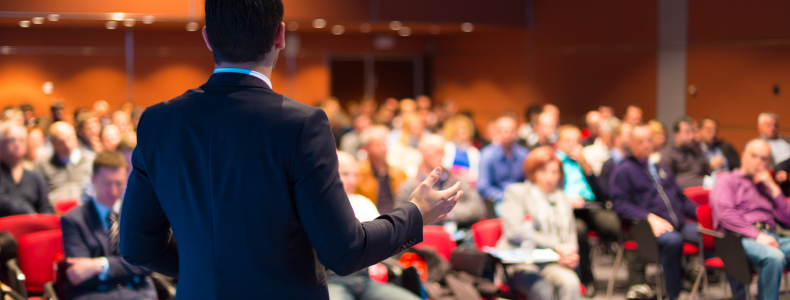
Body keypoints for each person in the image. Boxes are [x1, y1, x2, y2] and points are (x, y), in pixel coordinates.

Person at [119, 1, 462, 297]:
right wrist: (415, 212)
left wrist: (209, 265)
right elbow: (344, 251)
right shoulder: (301, 124)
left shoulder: (158, 122)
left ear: (208, 38)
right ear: (280, 35)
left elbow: (136, 246)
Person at [610, 123, 699, 300]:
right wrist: (648, 217)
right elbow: (619, 204)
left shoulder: (661, 167)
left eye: (649, 140)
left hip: (678, 222)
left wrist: (704, 215)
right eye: (641, 141)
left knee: (715, 237)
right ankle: (672, 295)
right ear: (632, 143)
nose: (646, 145)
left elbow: (680, 198)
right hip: (646, 228)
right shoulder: (623, 170)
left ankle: (715, 285)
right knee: (673, 241)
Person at [61, 151, 157, 300]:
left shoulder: (137, 214)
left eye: (118, 183)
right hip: (94, 294)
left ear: (126, 181)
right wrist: (127, 267)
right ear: (93, 180)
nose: (113, 191)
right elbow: (78, 274)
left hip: (137, 292)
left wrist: (100, 265)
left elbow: (146, 265)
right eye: (107, 183)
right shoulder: (73, 219)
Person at [332, 151, 422, 300]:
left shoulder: (362, 202)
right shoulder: (319, 208)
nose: (352, 181)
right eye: (345, 174)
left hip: (365, 279)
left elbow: (385, 240)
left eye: (355, 175)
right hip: (334, 280)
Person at [497, 146, 581, 300]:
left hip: (553, 261)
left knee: (570, 282)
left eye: (554, 172)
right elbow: (515, 232)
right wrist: (556, 245)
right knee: (542, 289)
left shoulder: (562, 197)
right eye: (543, 171)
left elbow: (571, 232)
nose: (549, 177)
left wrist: (570, 253)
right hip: (522, 263)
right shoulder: (517, 192)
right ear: (532, 172)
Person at [710, 139, 790, 300]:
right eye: (755, 156)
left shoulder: (765, 185)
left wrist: (774, 188)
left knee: (774, 253)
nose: (759, 162)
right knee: (774, 257)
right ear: (744, 156)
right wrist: (757, 235)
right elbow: (726, 214)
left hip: (770, 236)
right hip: (737, 239)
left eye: (764, 158)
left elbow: (787, 221)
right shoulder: (727, 180)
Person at [554, 125, 617, 296]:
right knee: (579, 231)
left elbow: (602, 194)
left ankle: (638, 281)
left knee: (617, 225)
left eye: (576, 142)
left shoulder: (584, 161)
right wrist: (567, 200)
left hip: (590, 207)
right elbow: (549, 192)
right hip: (566, 211)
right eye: (568, 141)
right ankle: (586, 280)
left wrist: (586, 166)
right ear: (558, 143)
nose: (572, 145)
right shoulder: (554, 162)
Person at [395, 135, 485, 228]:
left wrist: (446, 211)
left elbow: (478, 209)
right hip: (426, 238)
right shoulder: (408, 187)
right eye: (437, 152)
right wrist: (450, 208)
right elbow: (402, 220)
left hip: (461, 236)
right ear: (423, 152)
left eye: (443, 152)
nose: (442, 156)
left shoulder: (457, 180)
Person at [478, 115, 529, 212]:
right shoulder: (487, 155)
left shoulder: (524, 154)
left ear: (516, 132)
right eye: (503, 130)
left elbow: (529, 180)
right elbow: (483, 187)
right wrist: (505, 197)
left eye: (511, 130)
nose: (507, 134)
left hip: (521, 198)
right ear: (496, 132)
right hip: (499, 200)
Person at [0, 123, 53, 216]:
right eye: (11, 139)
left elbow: (46, 208)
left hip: (34, 228)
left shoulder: (35, 177)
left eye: (21, 140)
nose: (17, 144)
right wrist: (29, 213)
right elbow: (3, 201)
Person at [35, 122, 95, 203]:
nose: (67, 145)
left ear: (75, 137)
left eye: (70, 139)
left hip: (84, 210)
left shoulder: (91, 159)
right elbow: (39, 197)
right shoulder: (42, 165)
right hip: (55, 211)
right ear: (53, 143)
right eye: (61, 142)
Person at [356, 125, 409, 214]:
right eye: (378, 145)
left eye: (385, 144)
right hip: (371, 220)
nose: (384, 148)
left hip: (396, 218)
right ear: (367, 148)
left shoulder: (399, 173)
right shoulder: (358, 173)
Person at [658, 116, 711, 189]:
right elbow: (667, 183)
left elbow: (708, 173)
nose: (692, 136)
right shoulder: (667, 154)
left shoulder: (695, 151)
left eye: (693, 131)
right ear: (676, 134)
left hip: (703, 192)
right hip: (683, 196)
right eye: (687, 132)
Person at [441, 115, 481, 183]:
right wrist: (460, 172)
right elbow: (444, 167)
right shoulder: (446, 147)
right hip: (448, 182)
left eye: (465, 129)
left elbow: (476, 174)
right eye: (459, 129)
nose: (462, 131)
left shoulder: (474, 152)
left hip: (468, 184)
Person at [598, 123, 633, 200]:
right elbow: (606, 193)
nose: (632, 138)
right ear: (617, 139)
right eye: (628, 135)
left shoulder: (636, 162)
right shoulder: (608, 165)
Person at [387, 113, 425, 178]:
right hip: (405, 180)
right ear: (406, 128)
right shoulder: (398, 146)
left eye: (419, 127)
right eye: (414, 128)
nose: (417, 130)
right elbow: (393, 166)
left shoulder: (425, 143)